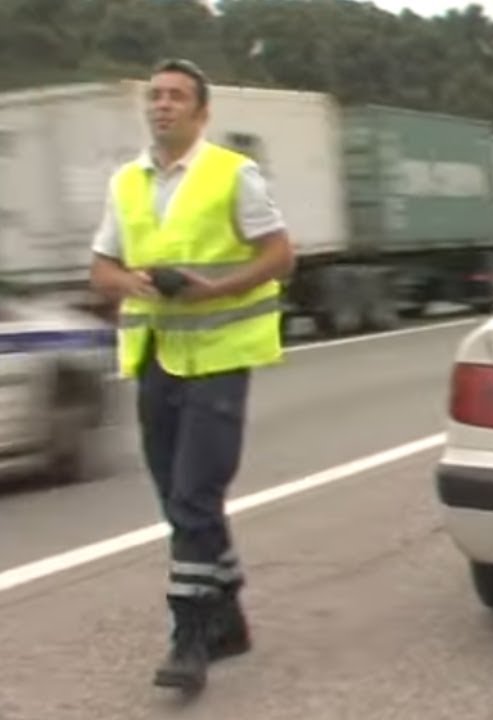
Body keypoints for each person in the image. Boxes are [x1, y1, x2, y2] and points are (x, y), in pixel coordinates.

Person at [88, 58, 295, 692]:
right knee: (178, 502)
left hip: (221, 359)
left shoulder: (233, 175)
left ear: (202, 113)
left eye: (177, 96)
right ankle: (229, 617)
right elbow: (100, 269)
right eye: (155, 95)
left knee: (193, 497)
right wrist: (134, 281)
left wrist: (214, 290)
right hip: (156, 358)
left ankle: (189, 636)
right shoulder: (126, 182)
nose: (163, 104)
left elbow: (281, 256)